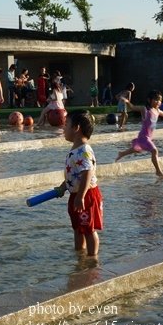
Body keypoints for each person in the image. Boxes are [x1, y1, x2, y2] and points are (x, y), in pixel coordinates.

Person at [55, 109, 103, 257]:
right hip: (77, 194)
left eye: (66, 124)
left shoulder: (83, 150)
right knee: (78, 227)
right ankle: (79, 254)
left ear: (76, 128)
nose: (63, 128)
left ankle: (92, 258)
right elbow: (75, 174)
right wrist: (64, 187)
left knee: (89, 229)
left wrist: (81, 196)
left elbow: (87, 172)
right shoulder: (76, 149)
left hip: (86, 196)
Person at [115, 90, 163, 179]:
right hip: (144, 136)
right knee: (154, 151)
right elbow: (133, 107)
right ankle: (158, 171)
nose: (158, 102)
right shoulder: (145, 110)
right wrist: (127, 102)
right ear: (149, 100)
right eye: (156, 100)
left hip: (149, 137)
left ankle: (121, 153)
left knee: (137, 149)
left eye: (160, 100)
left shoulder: (157, 111)